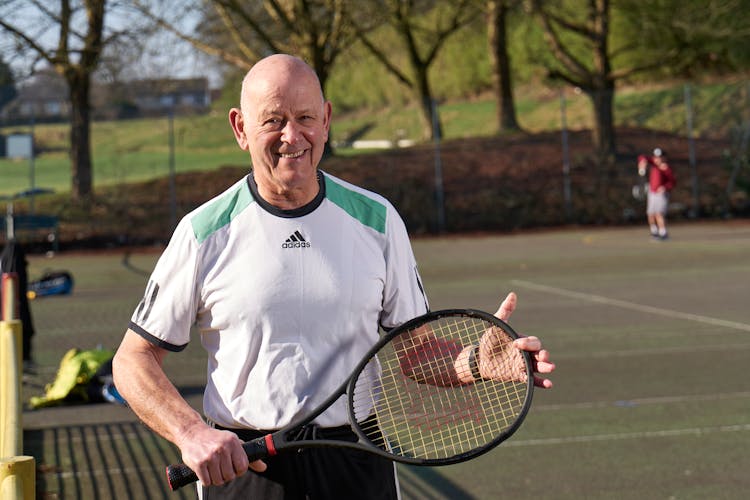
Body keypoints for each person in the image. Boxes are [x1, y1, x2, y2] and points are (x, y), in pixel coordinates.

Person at [112, 54, 555, 500]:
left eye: (306, 117)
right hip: (247, 467)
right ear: (240, 128)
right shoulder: (203, 231)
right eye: (273, 120)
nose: (292, 136)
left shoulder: (377, 220)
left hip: (356, 460)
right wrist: (191, 434)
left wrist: (477, 362)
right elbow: (133, 360)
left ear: (325, 120)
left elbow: (414, 351)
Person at [637, 148, 676, 240]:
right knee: (650, 213)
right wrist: (642, 163)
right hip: (652, 193)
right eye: (656, 157)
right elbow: (642, 157)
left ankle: (663, 233)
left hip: (661, 194)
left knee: (659, 213)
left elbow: (673, 182)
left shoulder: (666, 168)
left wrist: (665, 187)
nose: (658, 159)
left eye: (660, 157)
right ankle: (654, 232)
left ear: (664, 158)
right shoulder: (653, 164)